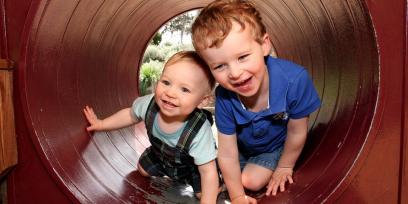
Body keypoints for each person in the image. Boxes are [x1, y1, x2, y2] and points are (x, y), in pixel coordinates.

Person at [191, 0, 321, 203]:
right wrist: (237, 197)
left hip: (276, 147)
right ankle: (231, 179)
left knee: (250, 181)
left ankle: (243, 174)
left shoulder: (294, 80)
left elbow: (297, 131)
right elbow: (227, 152)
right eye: (219, 66)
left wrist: (285, 166)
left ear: (264, 45)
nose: (235, 73)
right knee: (204, 174)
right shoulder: (225, 97)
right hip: (242, 149)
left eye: (242, 57)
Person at [83, 51, 220, 203]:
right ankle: (167, 171)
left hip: (193, 167)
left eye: (184, 89)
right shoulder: (149, 104)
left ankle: (221, 184)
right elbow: (129, 115)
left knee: (204, 194)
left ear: (202, 101)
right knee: (142, 170)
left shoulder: (199, 131)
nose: (170, 93)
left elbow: (208, 172)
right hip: (160, 156)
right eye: (166, 82)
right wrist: (102, 124)